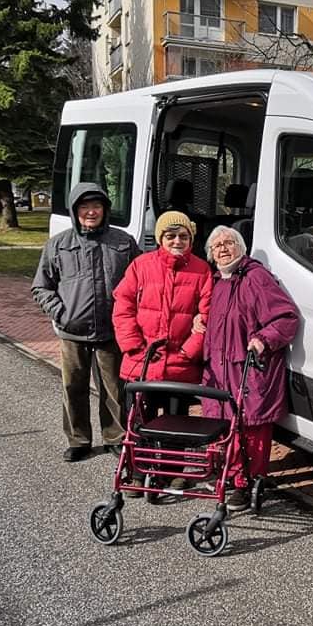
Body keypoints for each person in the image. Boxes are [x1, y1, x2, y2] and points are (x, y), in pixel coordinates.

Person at [32, 183, 140, 462]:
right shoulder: (58, 245)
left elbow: (140, 283)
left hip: (111, 330)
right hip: (72, 331)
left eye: (96, 206)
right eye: (84, 207)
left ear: (105, 209)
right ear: (75, 210)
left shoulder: (123, 243)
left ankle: (116, 437)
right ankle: (78, 440)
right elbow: (41, 287)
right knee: (73, 387)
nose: (91, 212)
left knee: (114, 388)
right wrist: (61, 313)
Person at [198, 225, 300, 512]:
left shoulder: (255, 277)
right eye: (216, 245)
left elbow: (286, 317)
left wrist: (263, 339)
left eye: (229, 242)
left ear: (241, 248)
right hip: (220, 368)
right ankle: (229, 475)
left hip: (249, 367)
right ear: (211, 253)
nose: (223, 248)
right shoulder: (217, 281)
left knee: (250, 426)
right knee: (224, 422)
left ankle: (248, 482)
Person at [111, 211, 213, 496]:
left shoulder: (202, 270)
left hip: (180, 364)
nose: (177, 241)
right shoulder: (141, 265)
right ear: (160, 238)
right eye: (170, 236)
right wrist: (134, 345)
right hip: (141, 362)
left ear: (191, 238)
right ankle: (138, 471)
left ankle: (173, 471)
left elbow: (207, 315)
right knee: (139, 420)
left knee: (176, 421)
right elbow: (123, 307)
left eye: (183, 236)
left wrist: (188, 350)